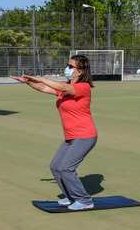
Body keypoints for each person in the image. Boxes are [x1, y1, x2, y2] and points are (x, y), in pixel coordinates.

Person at [11, 55, 97, 211]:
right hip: (71, 136)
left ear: (80, 71)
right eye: (67, 65)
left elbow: (61, 87)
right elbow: (45, 88)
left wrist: (41, 78)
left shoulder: (82, 87)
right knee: (56, 167)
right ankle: (71, 197)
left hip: (85, 135)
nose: (68, 69)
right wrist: (29, 82)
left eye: (71, 67)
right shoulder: (65, 89)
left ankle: (84, 200)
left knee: (66, 168)